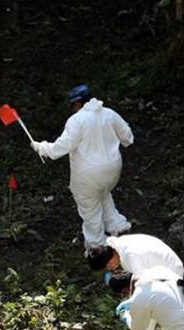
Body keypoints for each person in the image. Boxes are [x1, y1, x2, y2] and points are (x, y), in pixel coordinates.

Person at [32, 84, 134, 247]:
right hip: (113, 170)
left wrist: (41, 147)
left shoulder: (77, 120)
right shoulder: (110, 114)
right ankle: (119, 227)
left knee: (90, 208)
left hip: (88, 175)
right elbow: (128, 137)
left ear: (78, 103)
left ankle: (97, 246)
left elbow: (60, 148)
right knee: (103, 194)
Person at [86, 234, 184, 330]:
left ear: (109, 259)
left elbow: (142, 286)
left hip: (170, 271)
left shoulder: (130, 256)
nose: (110, 268)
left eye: (108, 266)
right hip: (157, 269)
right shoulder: (119, 248)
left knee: (155, 307)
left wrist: (133, 303)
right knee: (150, 306)